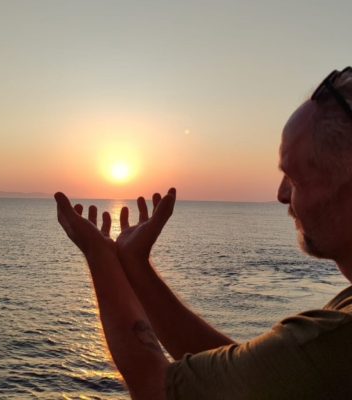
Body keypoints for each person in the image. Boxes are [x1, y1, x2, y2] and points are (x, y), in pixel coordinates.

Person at [54, 66, 352, 400]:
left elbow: (156, 387)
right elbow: (245, 381)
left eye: (294, 178)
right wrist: (136, 266)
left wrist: (99, 255)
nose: (281, 194)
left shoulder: (335, 340)